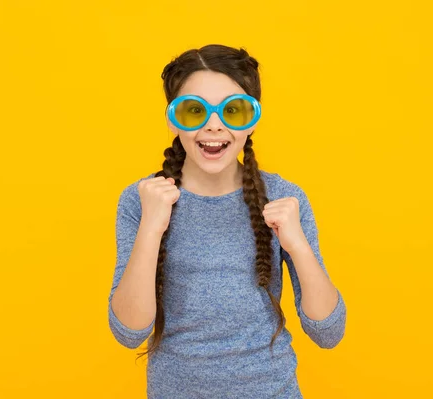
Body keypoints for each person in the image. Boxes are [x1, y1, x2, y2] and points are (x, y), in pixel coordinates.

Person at [107, 44, 347, 398]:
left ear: (252, 121)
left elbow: (329, 332)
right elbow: (128, 332)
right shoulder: (141, 200)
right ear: (173, 119)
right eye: (194, 111)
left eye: (233, 110)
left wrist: (296, 245)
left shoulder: (283, 196)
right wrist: (151, 228)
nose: (214, 125)